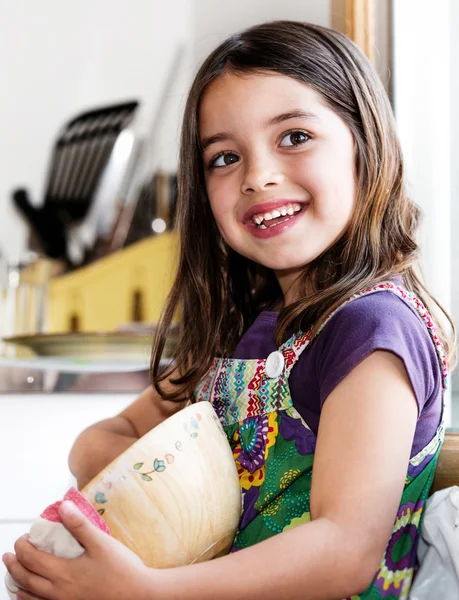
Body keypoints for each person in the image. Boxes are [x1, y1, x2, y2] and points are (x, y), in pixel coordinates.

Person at [3, 20, 455, 600]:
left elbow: (344, 550)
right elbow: (103, 437)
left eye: (294, 137)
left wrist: (147, 591)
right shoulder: (246, 330)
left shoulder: (371, 330)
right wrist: (174, 488)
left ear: (366, 145)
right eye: (224, 157)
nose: (257, 176)